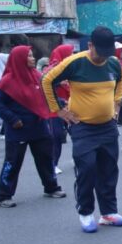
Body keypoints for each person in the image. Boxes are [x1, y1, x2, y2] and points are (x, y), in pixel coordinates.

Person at [41, 26, 122, 233]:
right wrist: (59, 110)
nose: (103, 59)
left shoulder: (113, 63)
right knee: (87, 169)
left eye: (108, 54)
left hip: (107, 126)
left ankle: (108, 213)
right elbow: (46, 80)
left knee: (108, 169)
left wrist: (117, 104)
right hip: (83, 127)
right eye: (100, 53)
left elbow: (120, 80)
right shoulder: (75, 62)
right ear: (90, 45)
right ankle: (86, 212)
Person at [0, 46, 66, 207]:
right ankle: (4, 195)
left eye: (33, 56)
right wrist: (13, 119)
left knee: (46, 159)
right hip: (18, 129)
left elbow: (46, 96)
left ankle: (51, 188)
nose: (33, 59)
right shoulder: (7, 81)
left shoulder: (37, 76)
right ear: (20, 59)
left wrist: (62, 103)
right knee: (13, 162)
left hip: (39, 126)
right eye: (30, 56)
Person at [43, 44, 75, 174]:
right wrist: (59, 82)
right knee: (56, 136)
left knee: (76, 133)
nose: (73, 55)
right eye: (70, 53)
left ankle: (78, 157)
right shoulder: (52, 69)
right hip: (55, 108)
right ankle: (53, 164)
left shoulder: (72, 67)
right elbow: (44, 81)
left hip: (70, 105)